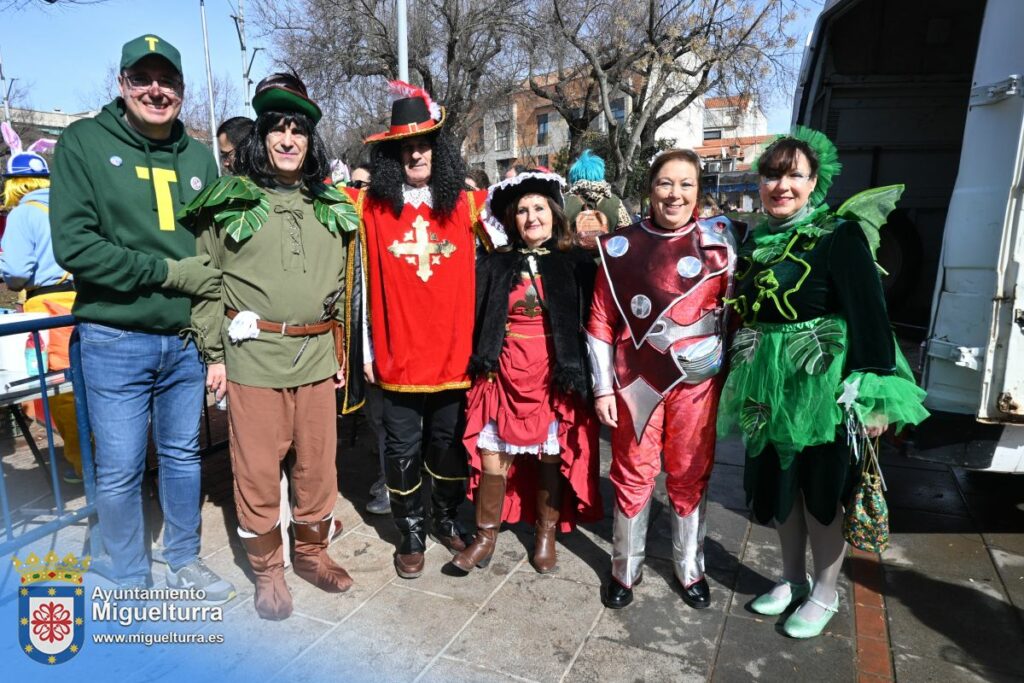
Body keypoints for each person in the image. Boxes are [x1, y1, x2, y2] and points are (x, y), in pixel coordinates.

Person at [717, 127, 928, 638]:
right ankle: (790, 580)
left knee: (821, 494)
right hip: (766, 386)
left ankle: (826, 593)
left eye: (795, 174)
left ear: (816, 181)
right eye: (772, 174)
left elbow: (871, 316)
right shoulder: (755, 237)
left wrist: (875, 393)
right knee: (780, 491)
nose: (781, 185)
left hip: (823, 388)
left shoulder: (841, 235)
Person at [50, 34, 235, 600]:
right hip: (114, 336)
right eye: (143, 78)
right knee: (122, 465)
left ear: (181, 89)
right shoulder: (83, 142)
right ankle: (127, 570)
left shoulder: (200, 155)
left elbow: (218, 253)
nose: (157, 90)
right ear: (123, 82)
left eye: (168, 80)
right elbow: (75, 247)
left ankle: (183, 559)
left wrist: (215, 341)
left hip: (182, 340)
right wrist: (164, 272)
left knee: (182, 457)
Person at [183, 73, 360, 620]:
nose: (288, 140)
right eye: (277, 129)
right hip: (253, 356)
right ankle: (268, 571)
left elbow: (348, 290)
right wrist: (213, 354)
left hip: (316, 356)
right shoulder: (229, 201)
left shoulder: (332, 205)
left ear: (311, 142)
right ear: (261, 139)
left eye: (298, 131)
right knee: (257, 470)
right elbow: (206, 279)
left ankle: (311, 553)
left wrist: (342, 352)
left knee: (317, 467)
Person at [346, 80, 501, 579]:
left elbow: (526, 226)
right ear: (393, 156)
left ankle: (445, 517)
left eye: (424, 144)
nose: (416, 152)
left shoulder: (468, 205)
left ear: (438, 150)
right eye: (405, 146)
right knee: (400, 448)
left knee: (448, 444)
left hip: (454, 356)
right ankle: (409, 528)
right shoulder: (369, 208)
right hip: (397, 356)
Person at [587, 149, 739, 610]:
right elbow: (599, 322)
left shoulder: (722, 244)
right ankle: (623, 569)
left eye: (686, 184)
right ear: (649, 189)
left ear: (699, 190)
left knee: (690, 471)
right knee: (632, 472)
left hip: (697, 382)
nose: (675, 194)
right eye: (665, 183)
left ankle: (689, 568)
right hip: (636, 380)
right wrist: (601, 387)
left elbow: (736, 317)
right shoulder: (619, 248)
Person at [452, 171, 602, 574]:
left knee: (550, 456)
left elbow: (599, 321)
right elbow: (474, 315)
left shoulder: (578, 264)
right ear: (512, 219)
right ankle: (485, 537)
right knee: (492, 455)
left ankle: (545, 534)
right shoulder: (494, 264)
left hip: (554, 373)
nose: (531, 217)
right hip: (503, 370)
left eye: (538, 208)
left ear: (554, 213)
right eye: (522, 210)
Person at [0, 152, 82, 483]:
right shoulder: (71, 207)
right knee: (92, 386)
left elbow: (17, 272)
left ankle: (85, 467)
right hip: (85, 300)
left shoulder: (23, 214)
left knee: (63, 392)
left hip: (48, 308)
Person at [563, 149, 632, 230]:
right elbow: (626, 233)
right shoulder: (616, 202)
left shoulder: (563, 201)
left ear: (574, 175)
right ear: (600, 173)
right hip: (605, 242)